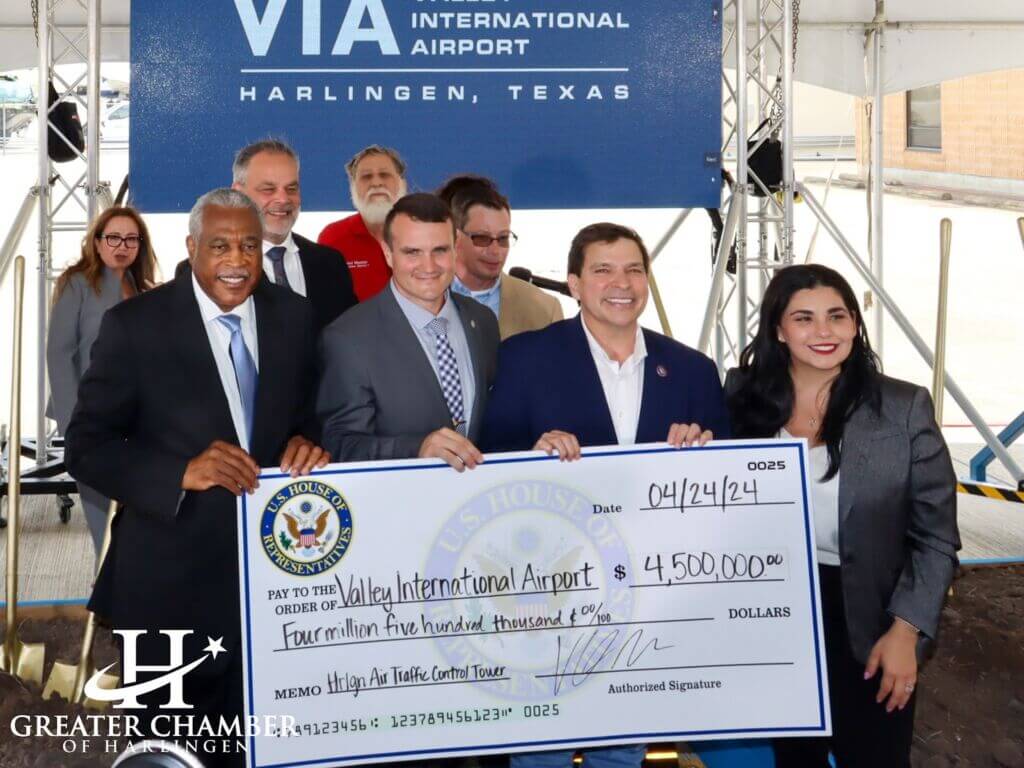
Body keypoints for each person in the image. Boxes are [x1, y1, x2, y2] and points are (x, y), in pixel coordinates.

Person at [65, 188, 328, 767]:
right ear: (191, 248)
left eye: (250, 246)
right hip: (167, 592)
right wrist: (178, 472)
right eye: (220, 245)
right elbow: (85, 447)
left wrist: (308, 441)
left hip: (274, 588)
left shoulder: (293, 317)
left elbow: (307, 413)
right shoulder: (135, 327)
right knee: (172, 754)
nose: (236, 260)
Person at [481, 223, 729, 768]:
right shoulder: (524, 358)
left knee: (620, 749)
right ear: (574, 283)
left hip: (646, 599)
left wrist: (703, 450)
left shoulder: (692, 370)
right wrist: (532, 449)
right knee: (538, 754)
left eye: (634, 269)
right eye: (603, 270)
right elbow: (489, 461)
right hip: (545, 596)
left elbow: (726, 492)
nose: (622, 283)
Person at [725, 264, 960, 768]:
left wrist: (906, 630)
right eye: (804, 318)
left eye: (837, 316)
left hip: (872, 617)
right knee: (796, 759)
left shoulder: (902, 408)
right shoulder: (738, 398)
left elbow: (936, 538)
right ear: (777, 330)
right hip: (773, 615)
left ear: (856, 323)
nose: (824, 331)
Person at [317, 192, 499, 468]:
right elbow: (341, 445)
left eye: (439, 250)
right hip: (399, 505)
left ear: (456, 248)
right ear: (388, 253)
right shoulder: (347, 338)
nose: (428, 266)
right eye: (412, 252)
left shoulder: (482, 320)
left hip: (479, 503)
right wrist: (417, 448)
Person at [47, 205, 158, 554]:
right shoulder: (77, 282)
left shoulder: (143, 288)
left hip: (137, 419)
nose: (121, 246)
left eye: (130, 239)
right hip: (89, 416)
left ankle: (124, 581)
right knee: (99, 509)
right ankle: (106, 581)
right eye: (113, 237)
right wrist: (70, 423)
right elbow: (58, 353)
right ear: (96, 242)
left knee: (134, 509)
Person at [231, 138, 358, 332]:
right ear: (239, 195)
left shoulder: (330, 263)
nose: (283, 199)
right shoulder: (208, 269)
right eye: (268, 189)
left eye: (291, 188)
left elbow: (350, 340)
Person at [437, 174, 563, 339]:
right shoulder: (420, 295)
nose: (496, 251)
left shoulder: (544, 309)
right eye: (482, 238)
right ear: (455, 238)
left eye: (503, 238)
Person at [318, 144, 407, 301]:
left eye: (385, 175)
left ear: (402, 183)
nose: (376, 183)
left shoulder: (424, 232)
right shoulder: (333, 237)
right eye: (366, 177)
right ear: (352, 186)